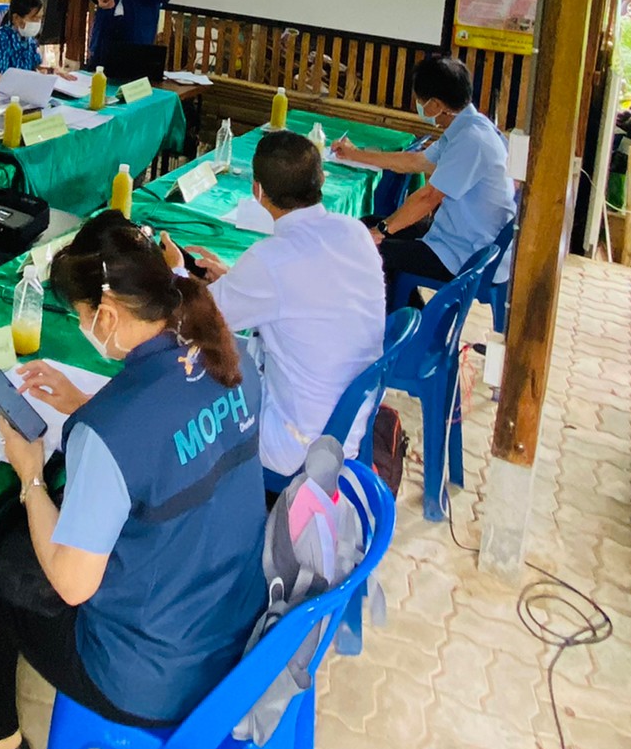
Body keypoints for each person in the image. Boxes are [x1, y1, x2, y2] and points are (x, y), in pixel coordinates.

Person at [0, 212, 266, 749]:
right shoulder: (229, 359)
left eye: (80, 314)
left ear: (106, 314)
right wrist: (87, 405)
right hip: (233, 629)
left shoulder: (110, 435)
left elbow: (74, 584)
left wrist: (28, 475)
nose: (82, 329)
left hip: (151, 672)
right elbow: (178, 451)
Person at [170, 132, 385, 477]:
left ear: (257, 191)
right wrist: (234, 279)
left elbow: (197, 319)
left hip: (297, 440)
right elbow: (310, 290)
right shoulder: (354, 231)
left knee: (189, 366)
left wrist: (177, 271)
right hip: (350, 413)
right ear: (322, 179)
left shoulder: (269, 261)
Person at [354, 54, 515, 299]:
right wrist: (354, 155)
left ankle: (401, 319)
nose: (418, 104)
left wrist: (383, 230)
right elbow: (417, 161)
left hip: (466, 250)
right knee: (366, 224)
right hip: (456, 232)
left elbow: (428, 197)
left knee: (368, 249)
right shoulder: (467, 126)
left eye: (420, 99)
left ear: (436, 105)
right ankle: (405, 306)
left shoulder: (473, 141)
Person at [0, 0, 54, 78]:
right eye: (34, 18)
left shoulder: (29, 39)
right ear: (16, 18)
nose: (38, 22)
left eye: (40, 18)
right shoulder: (0, 41)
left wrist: (53, 71)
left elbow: (36, 65)